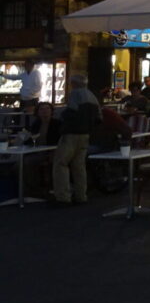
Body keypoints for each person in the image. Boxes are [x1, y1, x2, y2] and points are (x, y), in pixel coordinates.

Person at [50, 75, 99, 206]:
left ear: (73, 83)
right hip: (85, 134)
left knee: (61, 163)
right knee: (79, 166)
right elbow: (98, 117)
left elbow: (71, 111)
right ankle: (81, 195)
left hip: (71, 133)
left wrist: (61, 116)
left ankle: (63, 197)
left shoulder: (75, 94)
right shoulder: (92, 96)